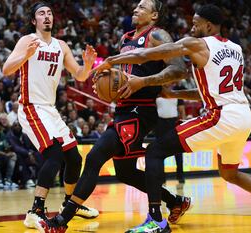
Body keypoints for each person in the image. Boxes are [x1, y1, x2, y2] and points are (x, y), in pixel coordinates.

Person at [92, 4, 251, 232]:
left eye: (196, 23)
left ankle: (156, 221)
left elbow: (147, 54)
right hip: (242, 115)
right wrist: (174, 94)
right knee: (229, 173)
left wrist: (111, 60)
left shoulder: (196, 43)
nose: (191, 27)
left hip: (220, 116)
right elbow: (212, 91)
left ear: (209, 26)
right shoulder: (236, 49)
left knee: (155, 151)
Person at [41, 1, 192, 232]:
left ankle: (62, 220)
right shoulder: (125, 39)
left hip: (141, 110)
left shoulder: (159, 35)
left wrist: (143, 82)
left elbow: (179, 69)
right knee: (126, 173)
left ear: (154, 16)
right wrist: (104, 83)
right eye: (136, 6)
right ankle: (175, 201)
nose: (135, 9)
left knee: (94, 157)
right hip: (124, 109)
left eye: (142, 7)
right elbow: (121, 76)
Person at [2, 2, 99, 230]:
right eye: (41, 13)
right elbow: (7, 69)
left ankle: (69, 204)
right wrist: (25, 55)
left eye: (49, 13)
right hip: (31, 106)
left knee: (74, 158)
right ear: (34, 20)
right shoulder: (27, 41)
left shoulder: (61, 46)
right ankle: (34, 211)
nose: (46, 17)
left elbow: (80, 76)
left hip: (50, 109)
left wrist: (86, 64)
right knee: (54, 155)